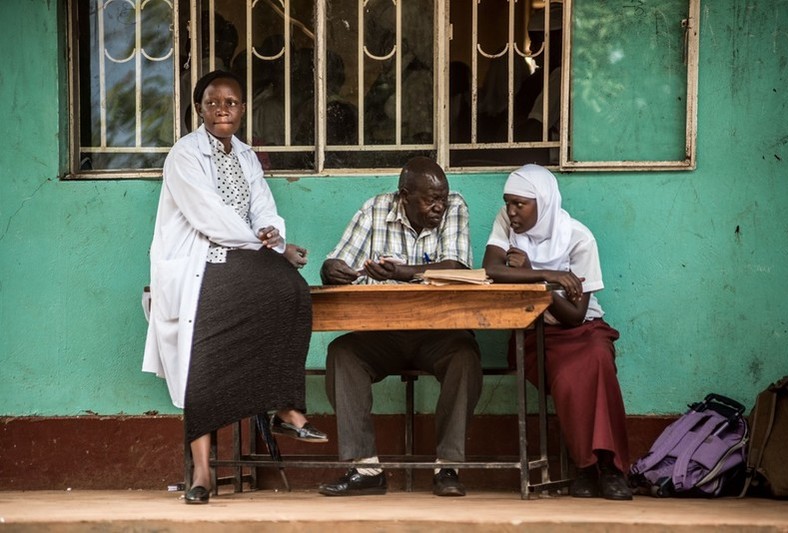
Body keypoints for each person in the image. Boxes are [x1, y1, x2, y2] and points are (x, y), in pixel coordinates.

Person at [142, 70, 326, 505]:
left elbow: (262, 204)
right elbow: (209, 217)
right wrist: (267, 245)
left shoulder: (245, 156)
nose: (223, 108)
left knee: (292, 293)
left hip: (241, 256)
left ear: (243, 109)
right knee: (203, 356)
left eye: (232, 102)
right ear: (199, 109)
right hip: (199, 262)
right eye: (213, 102)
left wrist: (270, 233)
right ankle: (202, 471)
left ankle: (284, 406)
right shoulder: (184, 156)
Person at [318, 156, 483, 497]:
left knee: (465, 356)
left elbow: (455, 267)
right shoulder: (375, 210)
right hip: (384, 333)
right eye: (430, 199)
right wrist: (332, 270)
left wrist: (400, 273)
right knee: (342, 354)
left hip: (440, 333)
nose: (439, 206)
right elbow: (338, 260)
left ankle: (447, 467)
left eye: (442, 197)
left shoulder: (454, 207)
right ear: (404, 196)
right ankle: (366, 469)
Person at [482, 164, 633, 501]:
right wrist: (548, 276)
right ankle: (585, 468)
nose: (511, 211)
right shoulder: (507, 223)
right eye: (508, 202)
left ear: (544, 202)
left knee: (598, 360)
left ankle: (610, 469)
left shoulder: (580, 239)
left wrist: (537, 279)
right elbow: (491, 270)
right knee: (566, 378)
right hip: (534, 335)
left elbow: (575, 316)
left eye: (521, 204)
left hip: (581, 329)